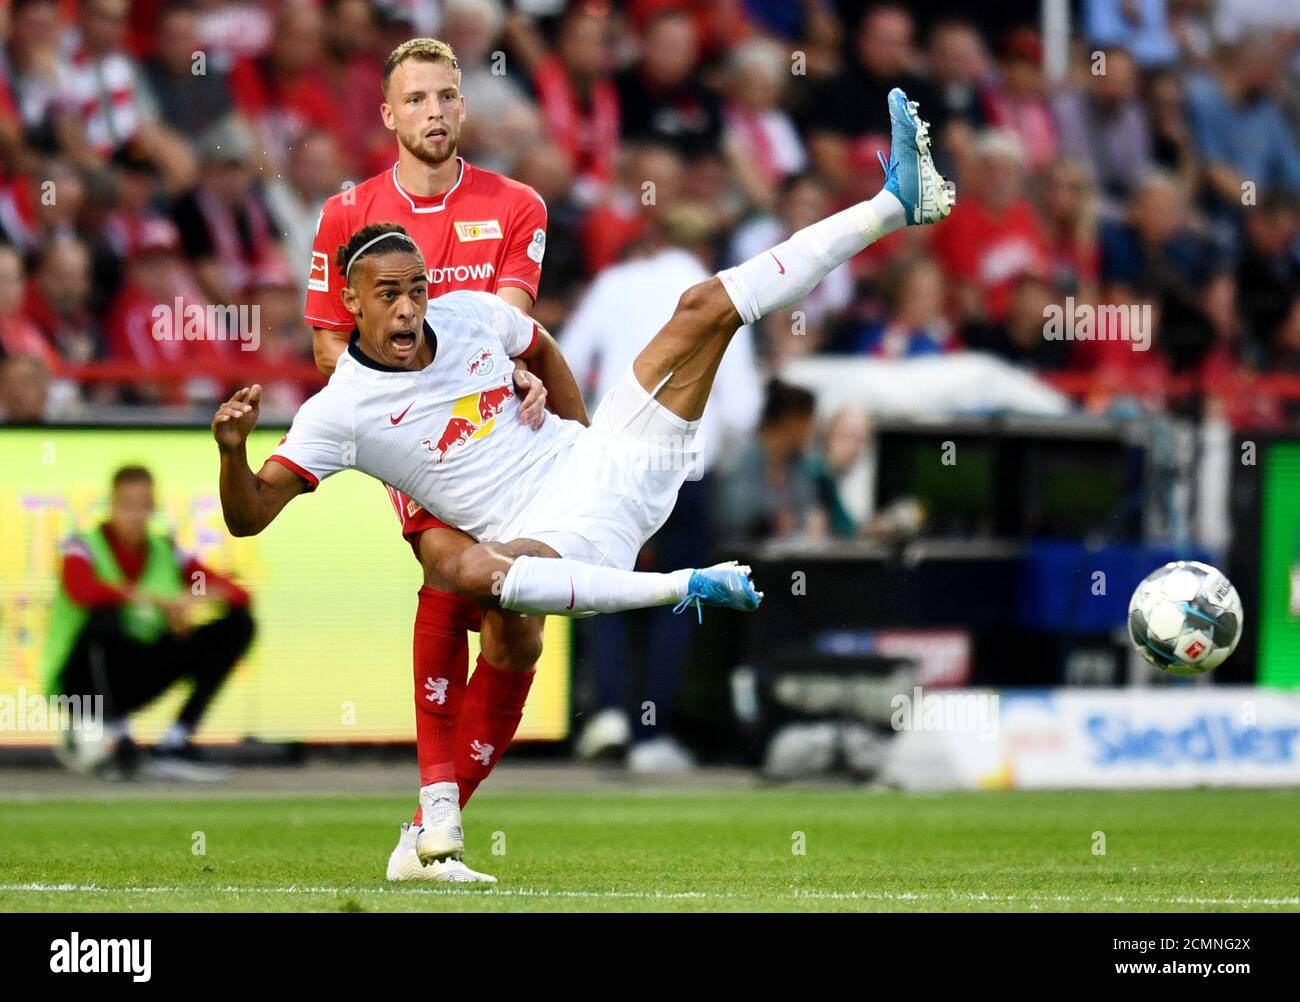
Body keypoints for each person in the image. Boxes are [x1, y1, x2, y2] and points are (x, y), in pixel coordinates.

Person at [212, 87, 954, 883]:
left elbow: (541, 347)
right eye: (386, 295)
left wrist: (581, 436)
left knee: (705, 305)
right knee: (475, 575)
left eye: (415, 289)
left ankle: (893, 203)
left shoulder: (467, 315)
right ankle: (673, 592)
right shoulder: (340, 412)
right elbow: (250, 516)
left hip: (610, 462)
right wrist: (231, 452)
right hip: (566, 537)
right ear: (351, 304)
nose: (406, 309)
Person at [302, 36, 589, 884]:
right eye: (416, 99)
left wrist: (522, 377)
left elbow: (509, 326)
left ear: (463, 106)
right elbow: (328, 344)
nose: (434, 111)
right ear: (388, 114)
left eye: (446, 96)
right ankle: (438, 821)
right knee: (452, 572)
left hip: (502, 438)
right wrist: (395, 413)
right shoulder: (347, 213)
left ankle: (425, 832)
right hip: (414, 438)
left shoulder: (517, 205)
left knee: (518, 632)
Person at [42, 465, 255, 780]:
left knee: (238, 624)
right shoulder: (83, 547)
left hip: (138, 668)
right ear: (112, 506)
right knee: (105, 616)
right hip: (81, 678)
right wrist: (152, 599)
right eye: (127, 505)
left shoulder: (165, 551)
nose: (135, 516)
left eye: (143, 506)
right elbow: (82, 590)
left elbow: (237, 593)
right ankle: (113, 732)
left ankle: (176, 740)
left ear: (153, 508)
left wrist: (195, 597)